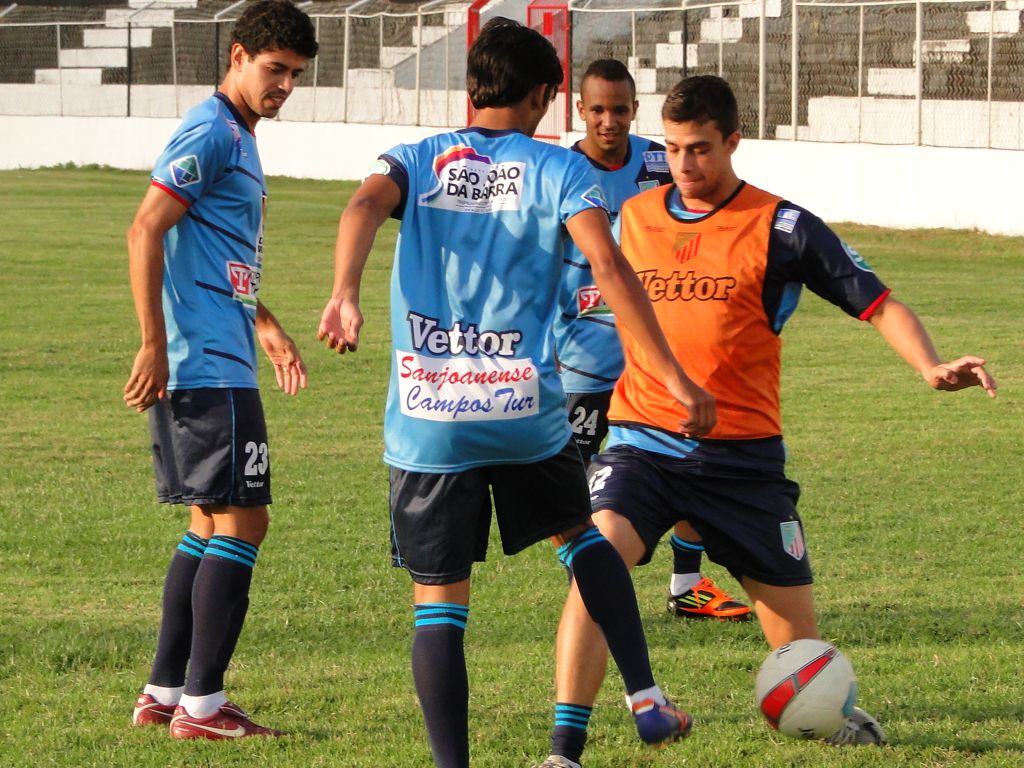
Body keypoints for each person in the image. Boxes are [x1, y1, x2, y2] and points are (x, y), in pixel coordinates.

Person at [538, 74, 998, 767]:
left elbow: (876, 301)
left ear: (733, 142)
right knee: (595, 566)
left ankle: (828, 716)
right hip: (642, 444)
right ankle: (563, 751)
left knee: (800, 650)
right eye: (674, 149)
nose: (686, 166)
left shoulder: (781, 227)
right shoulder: (632, 218)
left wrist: (930, 366)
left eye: (701, 150)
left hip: (745, 463)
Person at [317, 18, 715, 768]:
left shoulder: (417, 158)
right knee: (582, 539)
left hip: (429, 416)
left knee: (440, 605)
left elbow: (362, 207)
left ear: (471, 88)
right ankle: (644, 697)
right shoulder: (562, 172)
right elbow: (608, 265)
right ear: (544, 96)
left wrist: (344, 292)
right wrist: (666, 371)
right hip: (524, 410)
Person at [123, 0, 317, 740]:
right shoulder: (210, 131)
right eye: (274, 70)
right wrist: (153, 342)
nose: (284, 86)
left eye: (294, 75)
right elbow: (146, 226)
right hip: (204, 362)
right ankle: (202, 708)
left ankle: (165, 692)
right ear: (237, 56)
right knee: (245, 520)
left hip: (220, 349)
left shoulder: (236, 133)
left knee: (210, 521)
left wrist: (264, 323)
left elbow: (216, 253)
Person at [554, 58, 750, 623]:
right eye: (597, 110)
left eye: (619, 109)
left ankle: (686, 584)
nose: (609, 121)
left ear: (634, 110)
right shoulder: (559, 170)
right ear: (580, 111)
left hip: (660, 352)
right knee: (576, 487)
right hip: (582, 353)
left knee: (693, 460)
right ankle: (591, 589)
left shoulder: (663, 160)